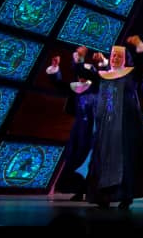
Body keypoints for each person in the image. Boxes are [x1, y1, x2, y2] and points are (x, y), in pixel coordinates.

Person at [74, 36, 143, 209]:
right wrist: (80, 57)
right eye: (113, 56)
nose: (116, 58)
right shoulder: (102, 75)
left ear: (125, 59)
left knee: (125, 158)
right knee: (103, 157)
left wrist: (139, 44)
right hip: (106, 125)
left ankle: (125, 195)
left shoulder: (132, 74)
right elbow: (82, 72)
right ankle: (104, 196)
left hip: (125, 124)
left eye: (119, 56)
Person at [45, 47, 103, 201]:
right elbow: (58, 83)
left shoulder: (97, 87)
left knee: (90, 159)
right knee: (74, 157)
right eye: (80, 74)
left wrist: (81, 60)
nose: (82, 77)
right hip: (79, 130)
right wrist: (55, 68)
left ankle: (90, 189)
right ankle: (77, 189)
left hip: (94, 129)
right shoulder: (76, 87)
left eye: (85, 74)